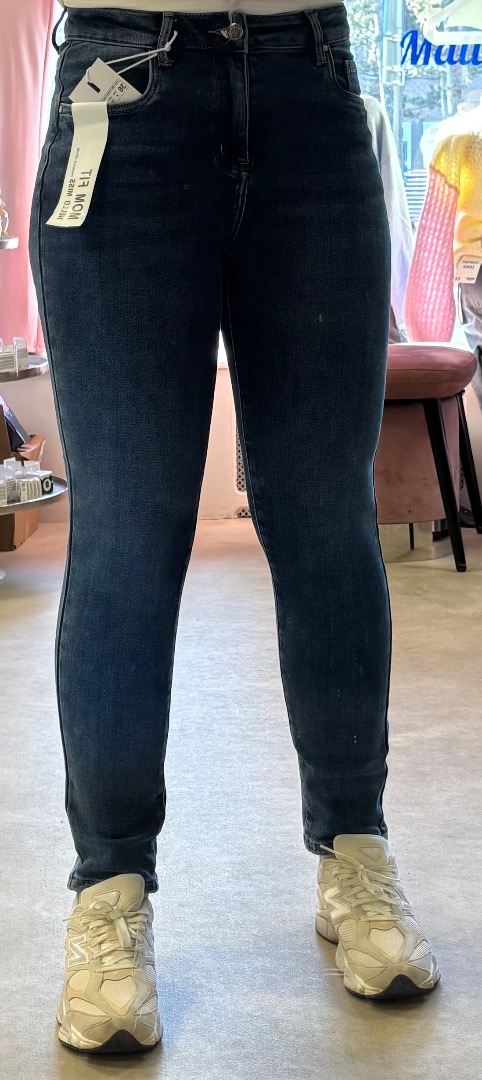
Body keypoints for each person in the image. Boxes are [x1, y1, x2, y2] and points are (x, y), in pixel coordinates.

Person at [29, 0, 440, 1055]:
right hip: (121, 87)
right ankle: (109, 889)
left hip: (312, 79)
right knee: (126, 535)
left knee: (327, 521)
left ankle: (354, 848)